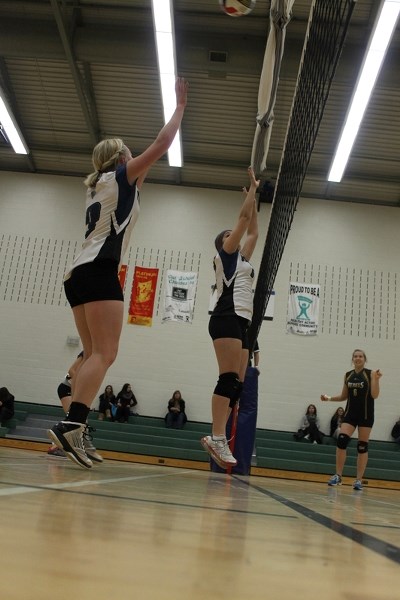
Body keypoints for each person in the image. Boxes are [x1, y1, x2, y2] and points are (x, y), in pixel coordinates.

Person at [48, 77, 188, 468]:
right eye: (128, 151)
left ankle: (78, 429)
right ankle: (71, 424)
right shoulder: (121, 176)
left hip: (76, 275)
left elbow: (143, 174)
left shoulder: (101, 185)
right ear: (122, 157)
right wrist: (179, 108)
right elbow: (160, 146)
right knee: (106, 354)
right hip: (99, 272)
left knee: (92, 355)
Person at [201, 166, 259, 469]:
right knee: (227, 378)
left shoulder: (243, 260)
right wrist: (251, 191)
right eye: (227, 235)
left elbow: (253, 231)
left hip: (241, 320)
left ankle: (219, 436)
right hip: (225, 316)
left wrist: (256, 195)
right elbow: (242, 221)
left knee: (237, 383)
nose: (232, 234)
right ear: (223, 242)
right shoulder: (225, 253)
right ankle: (216, 436)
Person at [321, 348, 382, 490]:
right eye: (355, 356)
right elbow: (343, 396)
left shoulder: (371, 374)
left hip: (366, 415)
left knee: (362, 446)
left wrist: (377, 380)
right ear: (352, 359)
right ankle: (338, 475)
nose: (358, 358)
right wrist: (328, 398)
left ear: (364, 359)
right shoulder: (348, 375)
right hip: (350, 414)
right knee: (342, 440)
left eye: (360, 356)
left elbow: (375, 395)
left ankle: (359, 480)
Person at [48, 352, 103, 462]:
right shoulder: (87, 353)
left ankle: (84, 447)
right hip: (67, 388)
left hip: (74, 390)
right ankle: (58, 445)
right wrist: (78, 388)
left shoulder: (96, 358)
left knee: (79, 420)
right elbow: (71, 370)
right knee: (78, 420)